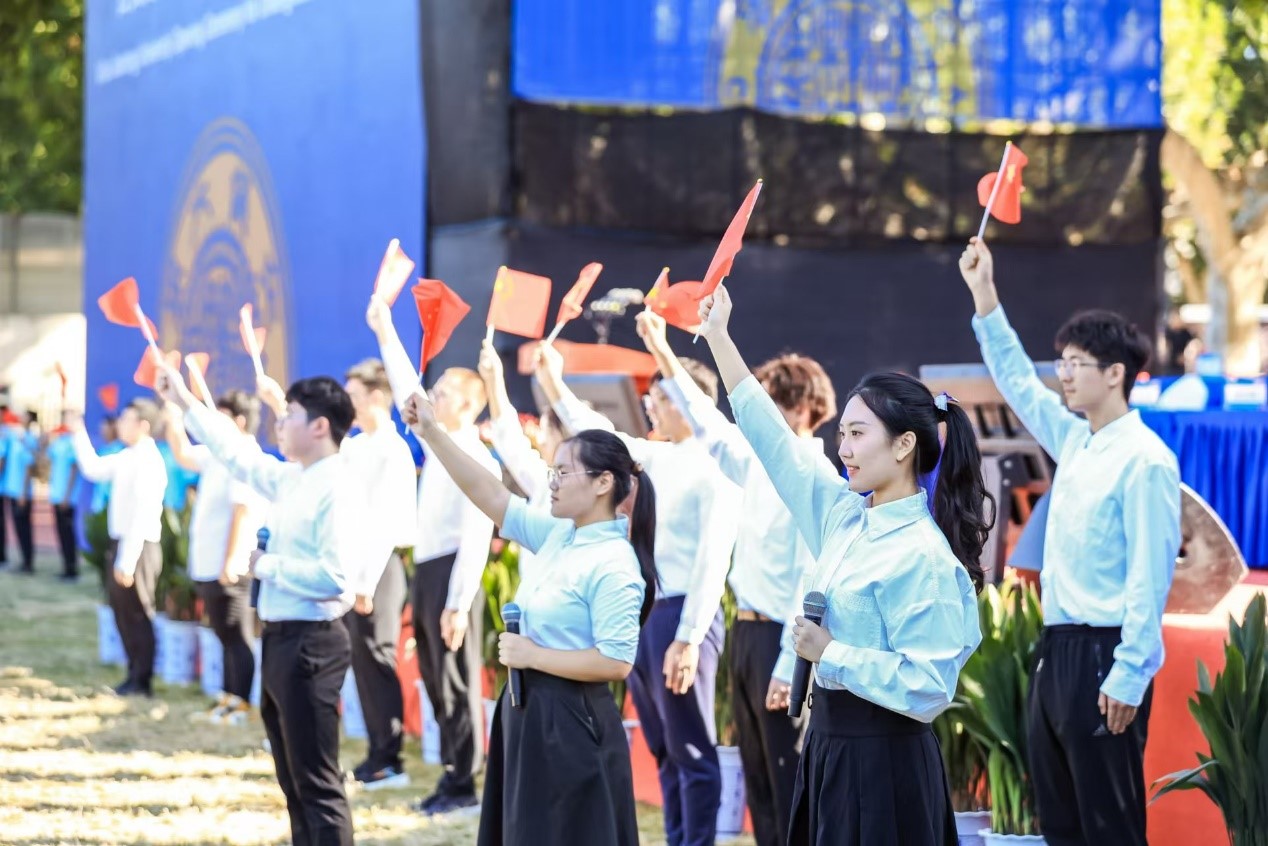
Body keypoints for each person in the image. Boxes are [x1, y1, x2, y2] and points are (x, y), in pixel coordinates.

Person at [697, 284, 987, 845]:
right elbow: (773, 441)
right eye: (842, 435)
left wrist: (831, 652)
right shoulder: (843, 515)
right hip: (827, 748)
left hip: (886, 764)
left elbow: (928, 687)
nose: (843, 449)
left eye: (857, 434)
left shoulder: (924, 555)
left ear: (904, 445)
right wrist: (719, 339)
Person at [959, 237, 1181, 846]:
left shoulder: (1146, 461)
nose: (1062, 375)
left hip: (1106, 652)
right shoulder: (1075, 439)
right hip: (1056, 650)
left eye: (1075, 363)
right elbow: (1016, 381)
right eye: (1061, 363)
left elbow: (1151, 576)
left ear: (1115, 374)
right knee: (1059, 822)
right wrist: (984, 293)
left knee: (1109, 825)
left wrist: (1130, 674)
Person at [401, 387, 655, 846]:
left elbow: (616, 662)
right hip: (528, 710)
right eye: (553, 471)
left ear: (603, 483)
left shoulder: (614, 563)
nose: (552, 482)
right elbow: (489, 493)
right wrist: (432, 434)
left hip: (573, 721)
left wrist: (533, 656)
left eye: (563, 472)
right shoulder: (560, 536)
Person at [636, 308, 836, 846]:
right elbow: (708, 423)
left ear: (802, 408)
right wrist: (663, 351)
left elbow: (811, 581)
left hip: (783, 639)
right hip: (746, 633)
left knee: (788, 775)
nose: (756, 415)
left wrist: (789, 664)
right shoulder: (757, 465)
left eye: (769, 402)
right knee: (757, 775)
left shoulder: (815, 475)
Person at [535, 341, 740, 846]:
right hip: (649, 611)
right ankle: (677, 837)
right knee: (664, 746)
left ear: (690, 401)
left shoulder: (717, 465)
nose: (652, 408)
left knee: (691, 747)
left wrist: (689, 638)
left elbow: (712, 560)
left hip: (683, 615)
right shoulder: (655, 456)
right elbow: (596, 433)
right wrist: (554, 383)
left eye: (662, 398)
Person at [158, 365, 367, 846]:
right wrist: (186, 401)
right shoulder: (294, 477)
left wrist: (266, 566)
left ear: (320, 426)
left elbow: (337, 579)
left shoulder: (337, 486)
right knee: (292, 780)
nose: (280, 422)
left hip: (311, 643)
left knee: (317, 782)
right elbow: (234, 454)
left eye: (290, 414)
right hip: (280, 638)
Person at [366, 294, 501, 815]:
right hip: (428, 569)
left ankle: (464, 782)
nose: (431, 398)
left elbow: (477, 534)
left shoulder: (473, 454)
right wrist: (385, 330)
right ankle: (451, 774)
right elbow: (409, 391)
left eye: (442, 393)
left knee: (456, 678)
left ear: (467, 406)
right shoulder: (442, 442)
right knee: (435, 676)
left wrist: (459, 602)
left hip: (451, 572)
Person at [163, 391, 269, 725]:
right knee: (223, 634)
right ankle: (227, 697)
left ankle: (241, 704)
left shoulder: (244, 456)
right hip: (210, 562)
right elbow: (182, 455)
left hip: (231, 566)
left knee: (237, 635)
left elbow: (242, 511)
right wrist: (173, 415)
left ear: (239, 421)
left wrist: (232, 560)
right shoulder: (217, 454)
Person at [340, 358, 419, 790]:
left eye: (353, 396)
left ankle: (390, 761)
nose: (347, 404)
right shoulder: (356, 446)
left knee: (378, 657)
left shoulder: (392, 449)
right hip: (356, 566)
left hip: (380, 566)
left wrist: (365, 583)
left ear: (375, 397)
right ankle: (376, 754)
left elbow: (385, 523)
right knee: (363, 661)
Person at [70, 399, 168, 696]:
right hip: (124, 542)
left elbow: (141, 514)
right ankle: (133, 674)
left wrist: (127, 560)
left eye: (127, 419)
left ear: (143, 425)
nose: (120, 425)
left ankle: (142, 680)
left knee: (138, 613)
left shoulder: (148, 461)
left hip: (139, 546)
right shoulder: (128, 455)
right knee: (123, 613)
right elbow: (93, 469)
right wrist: (77, 431)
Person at [477, 339, 566, 582]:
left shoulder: (579, 491)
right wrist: (494, 380)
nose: (540, 439)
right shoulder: (546, 482)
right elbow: (511, 443)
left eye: (546, 432)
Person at [46, 411, 84, 581]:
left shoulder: (75, 442)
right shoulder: (59, 441)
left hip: (68, 498)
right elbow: (46, 460)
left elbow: (75, 469)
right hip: (57, 495)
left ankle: (72, 569)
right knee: (61, 532)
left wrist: (67, 496)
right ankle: (66, 567)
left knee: (68, 533)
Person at [1, 414, 38, 574]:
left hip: (22, 494)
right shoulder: (14, 437)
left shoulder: (26, 439)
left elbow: (29, 466)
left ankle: (28, 563)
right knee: (18, 528)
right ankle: (24, 562)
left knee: (24, 529)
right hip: (14, 491)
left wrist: (23, 492)